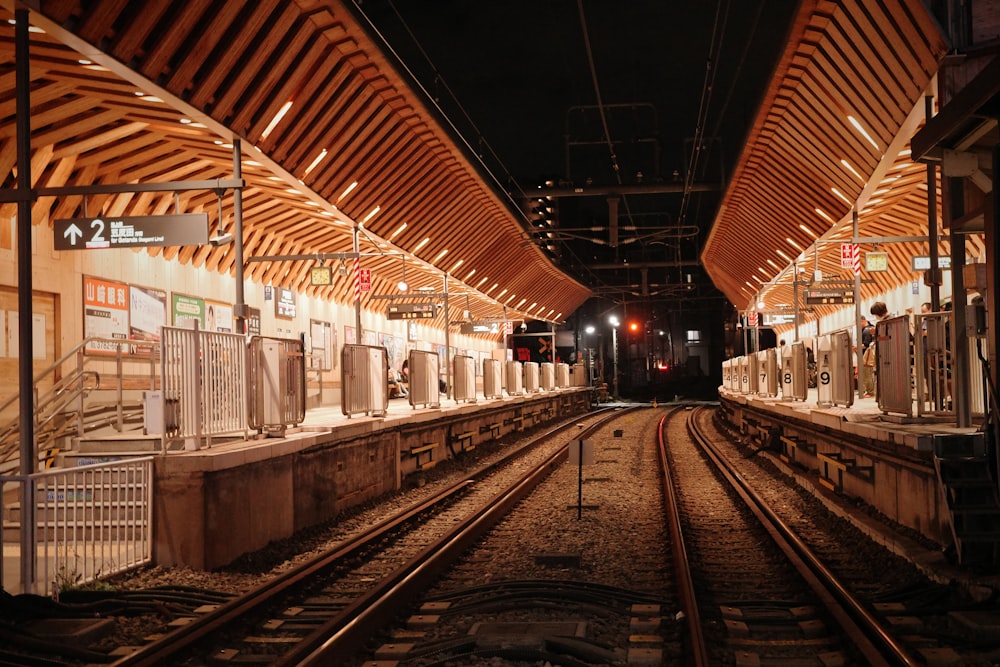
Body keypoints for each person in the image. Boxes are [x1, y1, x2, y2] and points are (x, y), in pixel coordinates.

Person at [860, 317, 875, 397]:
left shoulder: (866, 331)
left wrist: (857, 347)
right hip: (870, 356)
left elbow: (866, 345)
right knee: (868, 373)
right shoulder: (870, 328)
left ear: (863, 321)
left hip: (867, 356)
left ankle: (870, 391)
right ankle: (869, 390)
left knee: (867, 373)